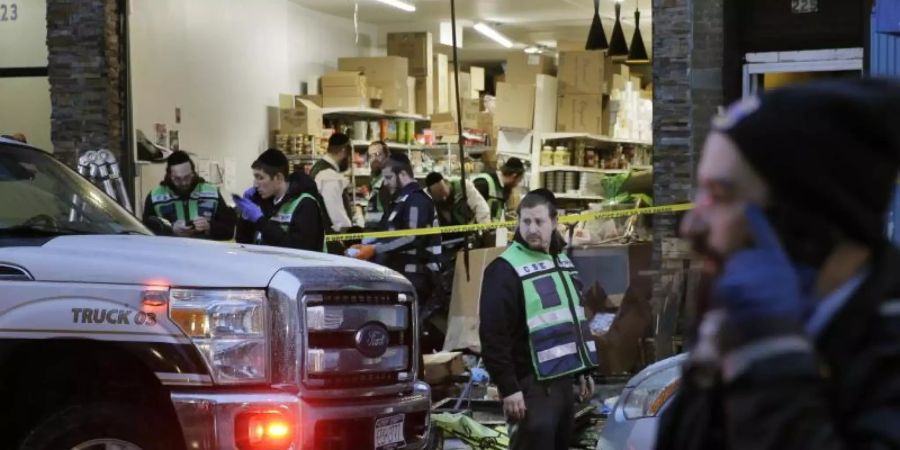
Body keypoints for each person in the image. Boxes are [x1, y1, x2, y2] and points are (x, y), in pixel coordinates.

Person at [656, 79, 900, 450]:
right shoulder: (735, 324)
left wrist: (771, 359)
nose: (691, 225)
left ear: (805, 230)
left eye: (719, 196)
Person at [479, 189, 598, 450]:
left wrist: (582, 370)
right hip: (530, 389)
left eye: (539, 222)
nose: (532, 229)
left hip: (562, 386)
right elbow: (493, 336)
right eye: (526, 222)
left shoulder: (561, 262)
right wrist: (509, 387)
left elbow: (572, 322)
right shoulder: (504, 270)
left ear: (555, 222)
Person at [349, 153, 442, 303]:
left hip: (416, 277)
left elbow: (411, 237)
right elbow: (386, 234)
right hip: (401, 275)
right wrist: (366, 245)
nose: (386, 183)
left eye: (389, 178)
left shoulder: (416, 200)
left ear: (403, 174)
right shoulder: (400, 202)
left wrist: (374, 249)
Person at [233, 148, 326, 252]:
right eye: (255, 177)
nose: (255, 184)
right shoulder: (265, 201)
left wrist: (260, 221)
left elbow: (299, 250)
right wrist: (245, 217)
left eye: (260, 178)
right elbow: (243, 242)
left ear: (278, 178)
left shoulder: (306, 204)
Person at [142, 150, 235, 240]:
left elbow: (229, 231)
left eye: (187, 177)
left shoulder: (212, 193)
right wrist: (171, 230)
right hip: (170, 252)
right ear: (169, 175)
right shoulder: (155, 197)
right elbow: (145, 232)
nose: (183, 183)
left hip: (204, 252)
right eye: (177, 179)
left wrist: (209, 227)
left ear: (193, 173)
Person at [311, 133, 363, 232]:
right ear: (343, 150)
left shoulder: (318, 168)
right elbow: (337, 215)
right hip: (332, 239)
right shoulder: (329, 175)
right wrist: (350, 235)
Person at [473, 157, 526, 222]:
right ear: (514, 176)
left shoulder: (503, 187)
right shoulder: (484, 183)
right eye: (518, 181)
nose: (517, 184)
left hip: (488, 229)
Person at [365, 141, 392, 230]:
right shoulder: (375, 178)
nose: (373, 159)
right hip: (374, 233)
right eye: (370, 156)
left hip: (383, 235)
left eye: (377, 154)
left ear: (387, 156)